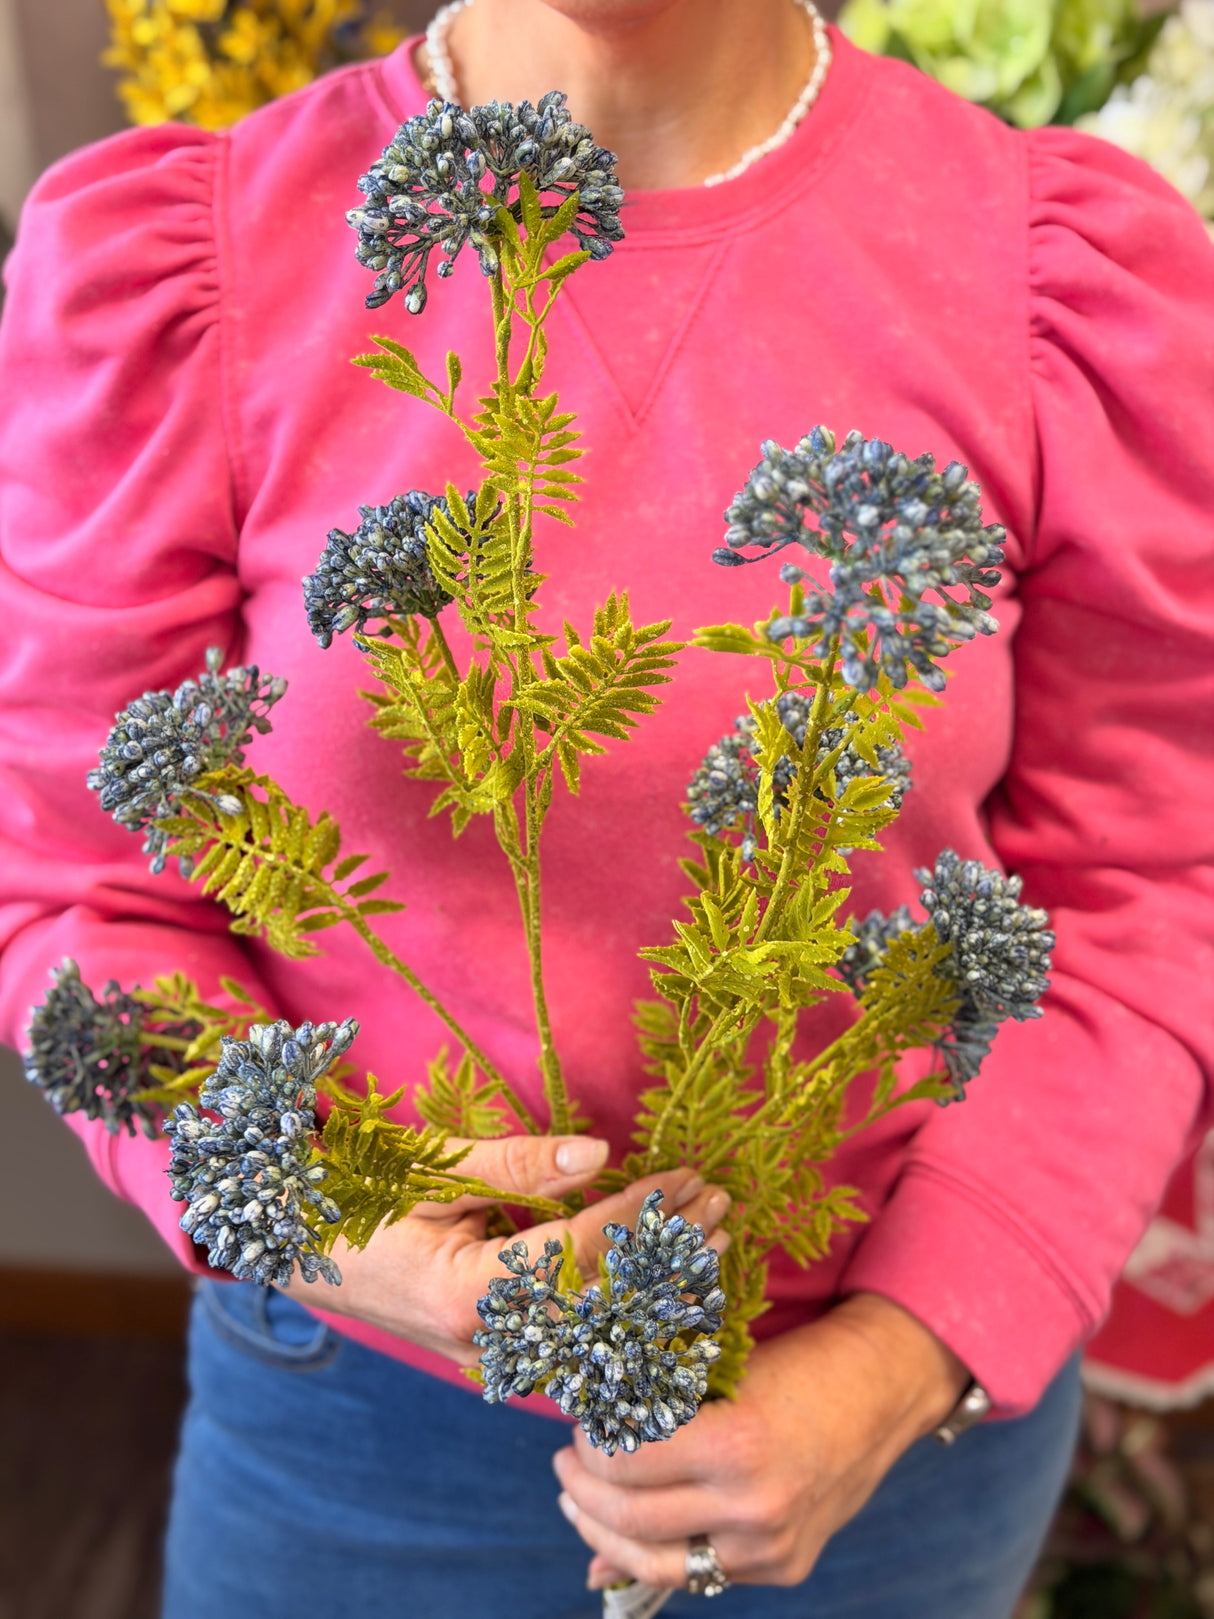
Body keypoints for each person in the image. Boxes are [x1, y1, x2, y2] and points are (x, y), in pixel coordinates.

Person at [1, 1, 1211, 1615]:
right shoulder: (188, 261)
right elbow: (81, 894)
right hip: (363, 1430)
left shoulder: (1052, 271)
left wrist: (895, 1359)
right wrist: (343, 1224)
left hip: (885, 1445)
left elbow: (1145, 888)